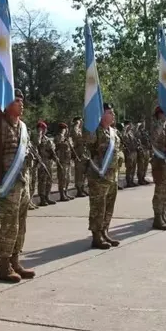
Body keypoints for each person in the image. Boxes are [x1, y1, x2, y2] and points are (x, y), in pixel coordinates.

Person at [0, 89, 36, 283]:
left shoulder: (23, 126)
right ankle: (4, 266)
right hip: (9, 182)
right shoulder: (1, 125)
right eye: (17, 101)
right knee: (9, 225)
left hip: (23, 180)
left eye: (22, 101)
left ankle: (16, 261)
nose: (22, 104)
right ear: (7, 104)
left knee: (21, 224)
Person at [84, 103, 121, 249]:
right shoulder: (95, 131)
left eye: (113, 112)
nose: (113, 115)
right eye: (109, 112)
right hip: (99, 176)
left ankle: (105, 232)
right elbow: (87, 144)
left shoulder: (113, 132)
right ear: (101, 115)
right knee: (98, 207)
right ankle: (96, 236)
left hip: (112, 176)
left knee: (108, 206)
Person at [36, 121, 57, 206]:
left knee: (49, 180)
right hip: (42, 162)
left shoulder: (47, 139)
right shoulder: (38, 138)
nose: (45, 130)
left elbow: (52, 149)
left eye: (45, 129)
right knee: (42, 181)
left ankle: (47, 196)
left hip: (49, 162)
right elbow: (37, 144)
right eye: (42, 129)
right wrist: (39, 133)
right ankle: (42, 198)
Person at [54, 122, 74, 201]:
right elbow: (57, 146)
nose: (64, 130)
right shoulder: (58, 137)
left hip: (67, 160)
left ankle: (66, 193)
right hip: (62, 160)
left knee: (67, 178)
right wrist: (63, 143)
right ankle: (62, 194)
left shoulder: (67, 138)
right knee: (62, 178)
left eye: (65, 129)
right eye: (63, 129)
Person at [71, 117, 88, 197]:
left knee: (84, 173)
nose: (81, 122)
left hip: (84, 154)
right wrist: (76, 124)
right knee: (79, 174)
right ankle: (79, 190)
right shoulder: (75, 130)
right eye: (80, 121)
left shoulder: (82, 130)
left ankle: (82, 188)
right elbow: (75, 135)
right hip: (79, 155)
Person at [121, 121, 138, 187]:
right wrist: (125, 129)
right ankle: (128, 182)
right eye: (129, 125)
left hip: (134, 151)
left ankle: (131, 181)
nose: (131, 126)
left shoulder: (131, 133)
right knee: (129, 167)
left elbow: (135, 137)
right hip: (129, 152)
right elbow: (123, 137)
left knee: (133, 167)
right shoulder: (125, 133)